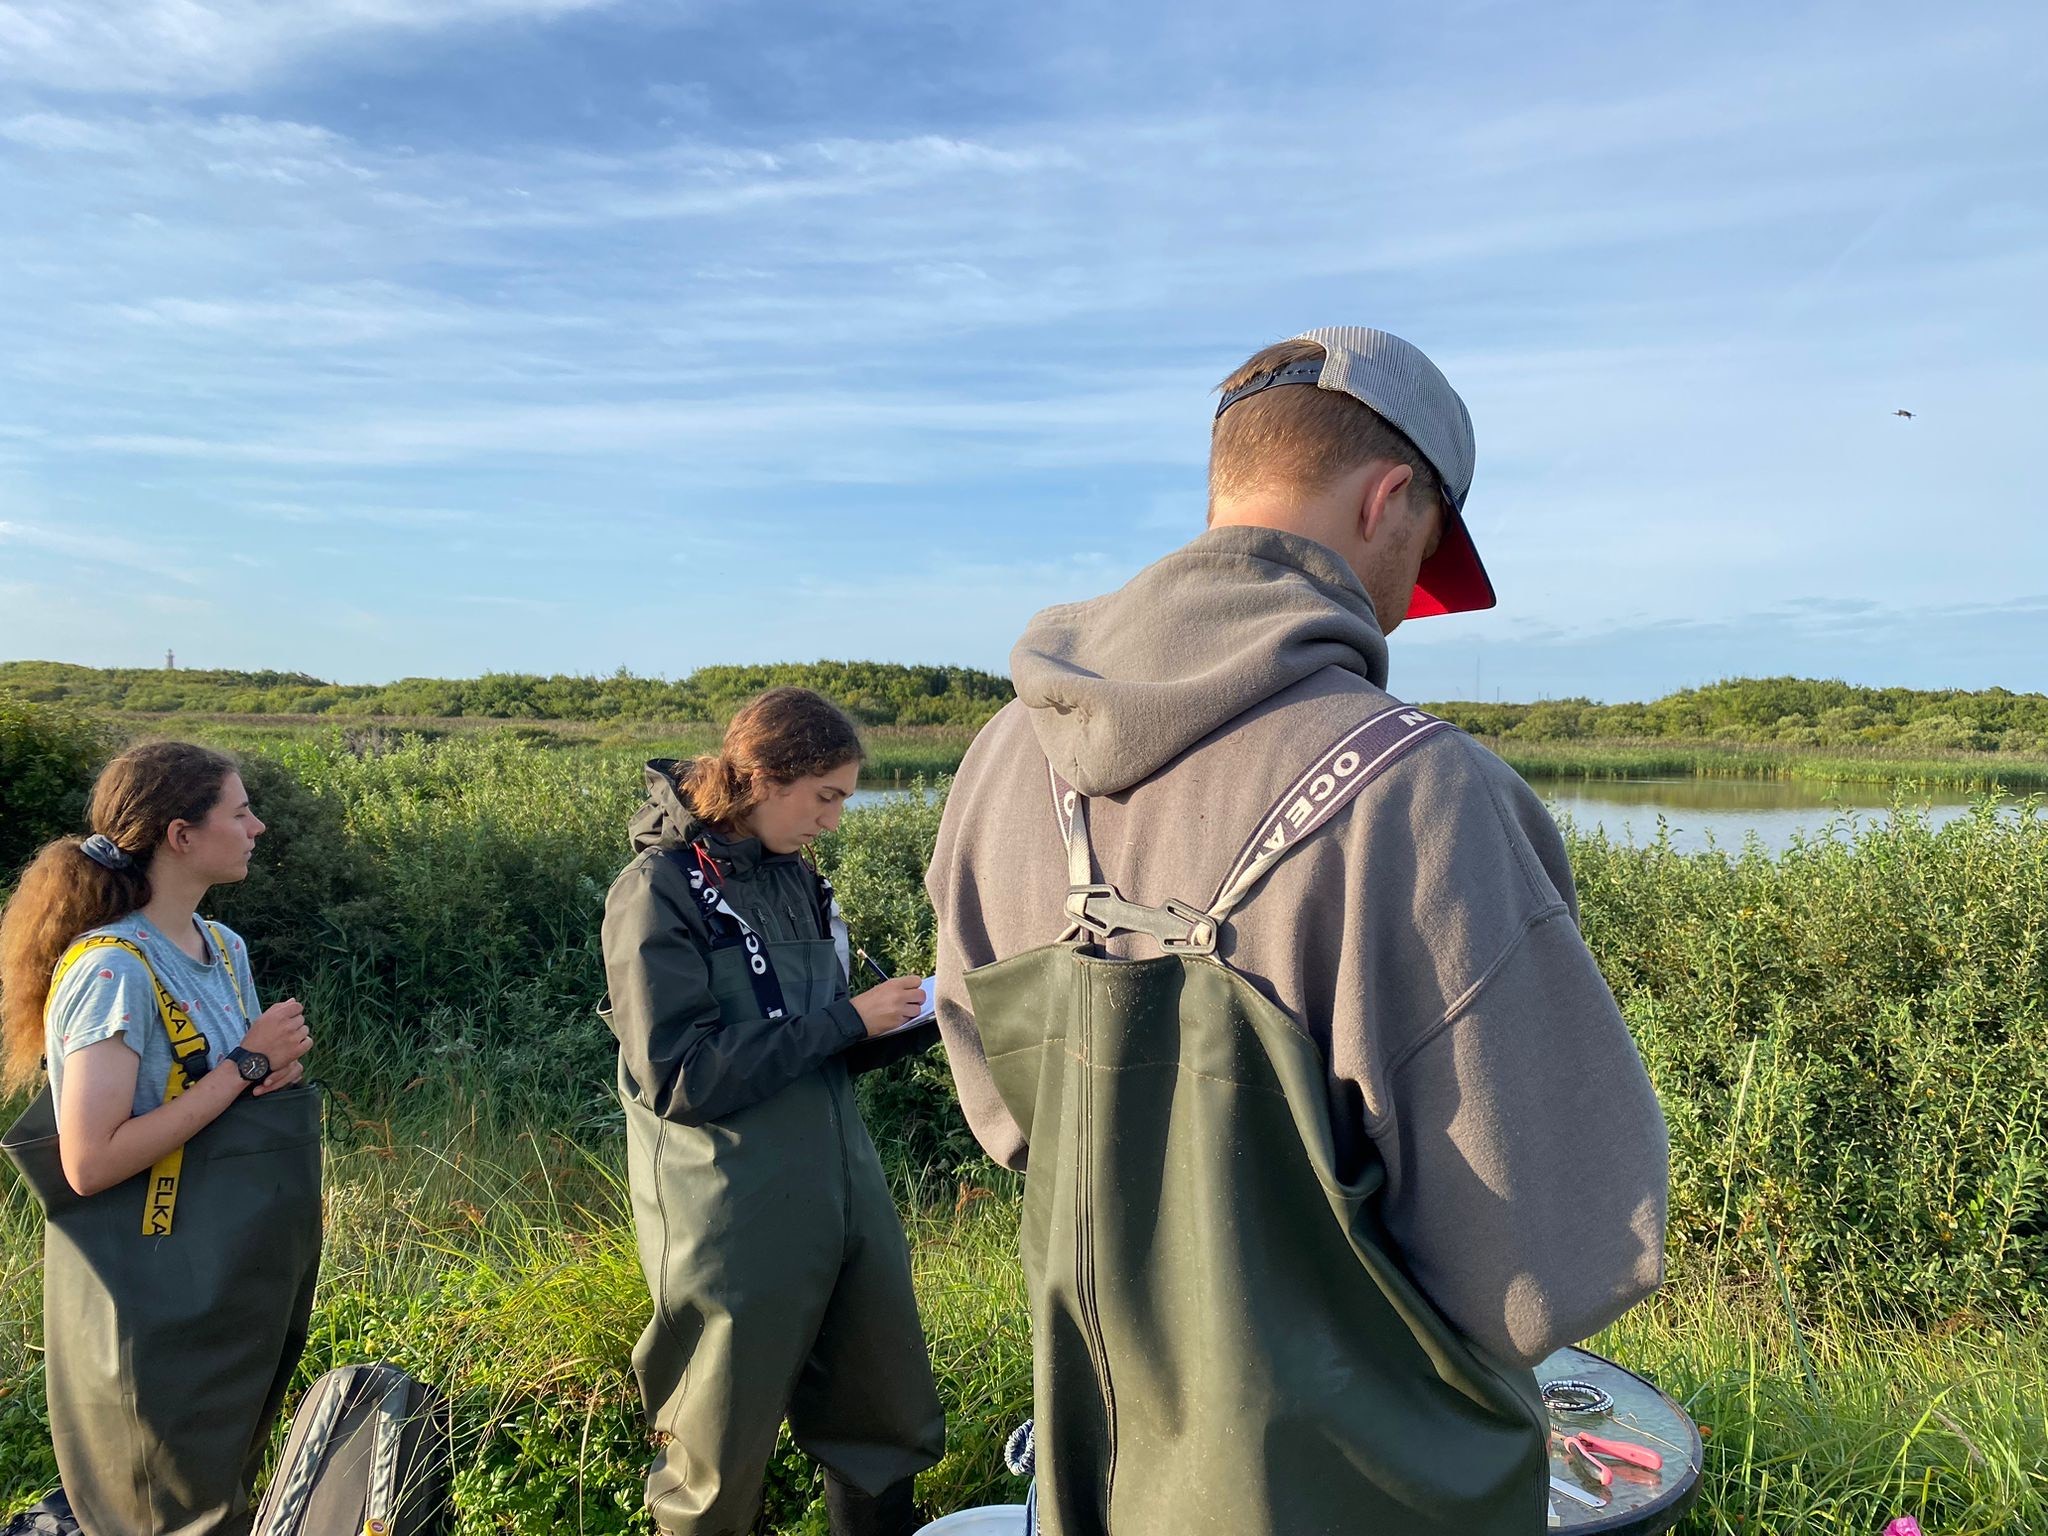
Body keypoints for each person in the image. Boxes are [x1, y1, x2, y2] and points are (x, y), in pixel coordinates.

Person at [926, 327, 1670, 1535]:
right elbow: (1547, 1268)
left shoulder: (1002, 759)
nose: (1408, 603)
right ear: (1390, 501)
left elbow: (1008, 1119)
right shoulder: (1421, 794)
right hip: (1366, 1488)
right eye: (1423, 554)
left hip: (1100, 1461)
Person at [599, 687, 946, 1536]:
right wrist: (844, 1018)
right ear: (759, 775)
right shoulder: (657, 889)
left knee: (884, 1423)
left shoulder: (799, 879)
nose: (832, 820)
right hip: (729, 1209)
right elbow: (677, 1076)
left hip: (843, 1196)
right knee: (714, 1458)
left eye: (844, 800)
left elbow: (825, 1048)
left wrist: (919, 1018)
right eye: (824, 796)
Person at [0, 740, 321, 1536]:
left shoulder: (222, 948)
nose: (259, 826)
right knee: (164, 1507)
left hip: (229, 1277)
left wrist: (264, 1075)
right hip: (153, 1293)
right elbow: (88, 1161)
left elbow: (218, 1096)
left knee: (218, 1493)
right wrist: (247, 1063)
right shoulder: (111, 970)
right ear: (181, 836)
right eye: (239, 811)